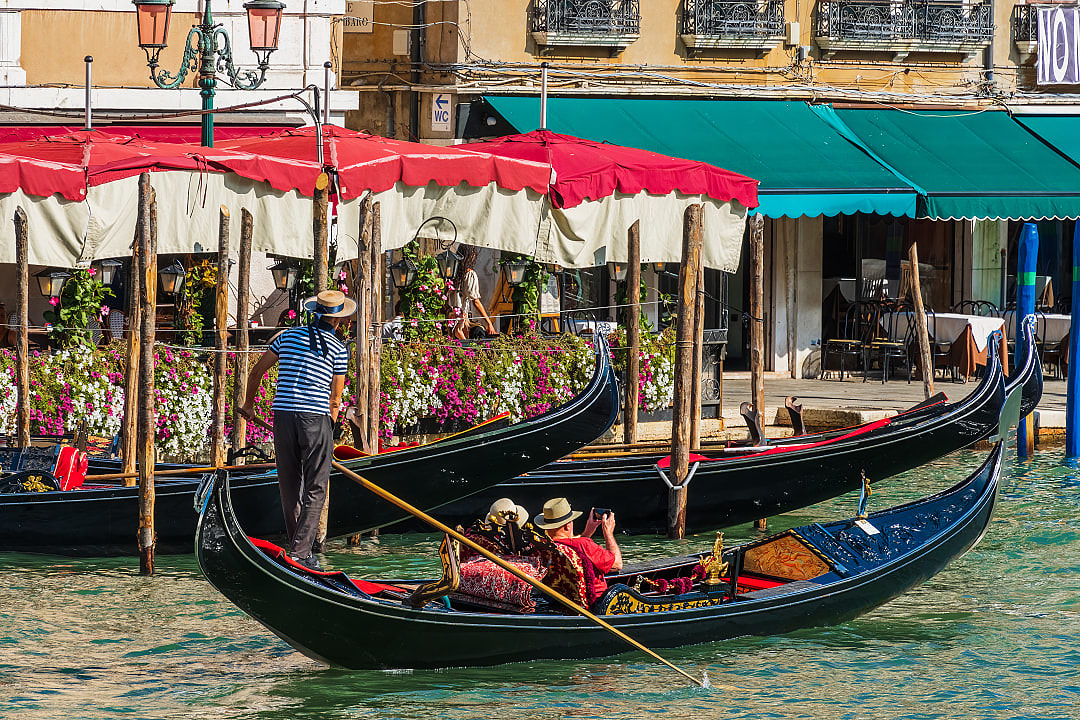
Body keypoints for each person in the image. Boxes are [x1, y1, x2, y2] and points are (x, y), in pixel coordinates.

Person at [238, 289, 355, 570]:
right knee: (316, 486)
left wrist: (249, 405)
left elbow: (256, 372)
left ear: (315, 313)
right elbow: (335, 399)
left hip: (283, 417)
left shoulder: (287, 337)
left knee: (289, 484)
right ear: (338, 321)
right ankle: (301, 554)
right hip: (315, 419)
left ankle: (297, 549)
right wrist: (330, 428)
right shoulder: (339, 349)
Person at [534, 497, 622, 605]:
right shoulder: (584, 545)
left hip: (561, 602)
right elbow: (617, 564)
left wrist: (587, 532)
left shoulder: (542, 545)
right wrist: (608, 532)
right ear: (567, 526)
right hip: (596, 604)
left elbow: (572, 548)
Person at [451, 244, 497, 340]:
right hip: (462, 317)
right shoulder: (470, 274)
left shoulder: (453, 272)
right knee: (478, 333)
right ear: (471, 256)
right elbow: (476, 301)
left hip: (450, 315)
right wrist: (489, 323)